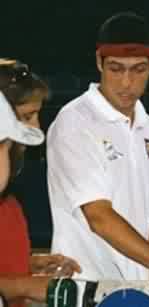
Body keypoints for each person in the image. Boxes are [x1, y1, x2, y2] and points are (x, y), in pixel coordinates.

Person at [46, 11, 149, 299]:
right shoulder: (75, 122)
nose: (126, 82)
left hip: (132, 294)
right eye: (116, 68)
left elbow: (144, 224)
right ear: (98, 62)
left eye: (138, 69)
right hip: (84, 291)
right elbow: (99, 216)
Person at [0, 63, 81, 307]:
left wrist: (29, 264)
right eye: (26, 117)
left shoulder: (10, 202)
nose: (36, 127)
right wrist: (27, 285)